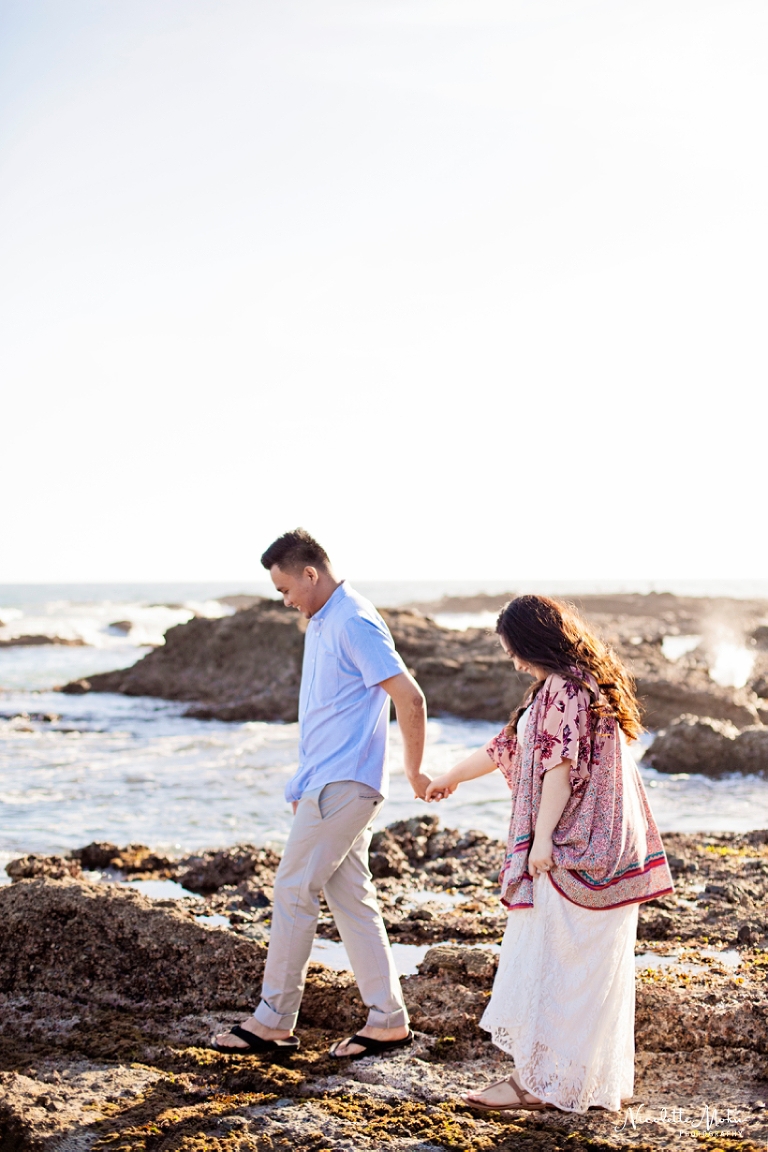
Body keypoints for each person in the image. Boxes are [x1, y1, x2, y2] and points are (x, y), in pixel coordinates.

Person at [425, 594, 673, 1114]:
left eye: (514, 650)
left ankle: (534, 1084)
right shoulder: (581, 684)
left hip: (575, 849)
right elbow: (504, 748)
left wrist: (540, 842)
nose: (514, 662)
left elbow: (558, 772)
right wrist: (449, 777)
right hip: (608, 849)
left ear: (533, 641)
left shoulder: (563, 689)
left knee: (552, 967)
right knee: (589, 973)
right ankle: (591, 1082)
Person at [212, 528, 429, 1059]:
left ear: (310, 574)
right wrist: (301, 783)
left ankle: (273, 1019)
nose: (284, 600)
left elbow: (410, 697)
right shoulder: (323, 621)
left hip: (344, 784)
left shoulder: (353, 620)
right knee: (351, 899)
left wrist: (414, 771)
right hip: (327, 783)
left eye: (286, 589)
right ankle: (387, 1020)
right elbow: (325, 714)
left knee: (292, 891)